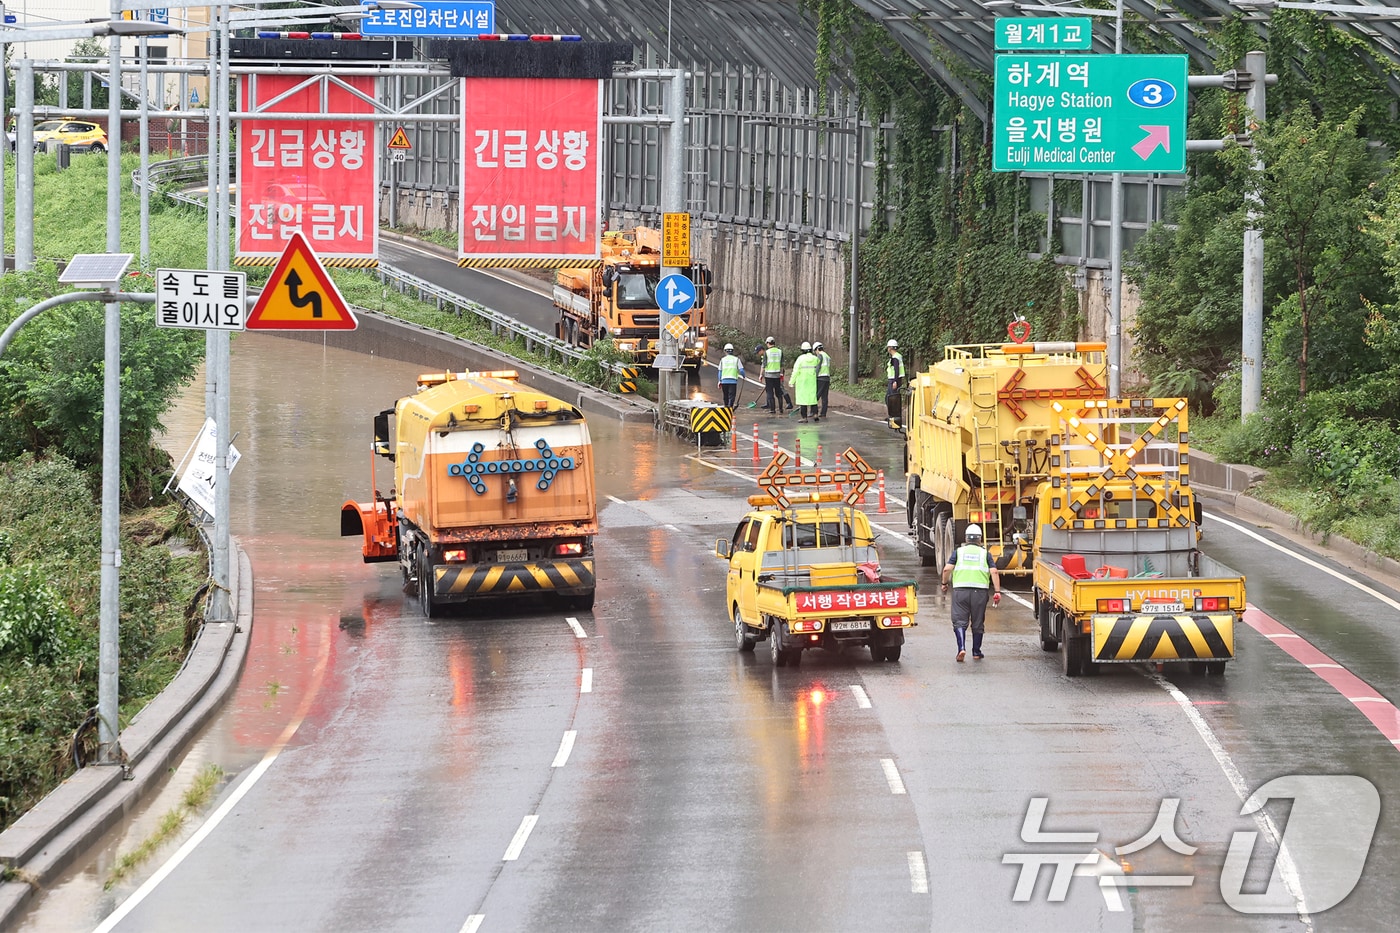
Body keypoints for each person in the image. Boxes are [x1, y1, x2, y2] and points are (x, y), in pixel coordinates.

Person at [940, 523, 1001, 662]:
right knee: (978, 622)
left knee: (959, 621)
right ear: (980, 539)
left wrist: (944, 584)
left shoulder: (959, 552)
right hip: (980, 592)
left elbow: (946, 569)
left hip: (960, 591)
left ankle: (961, 647)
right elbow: (994, 571)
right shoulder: (985, 553)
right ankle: (976, 651)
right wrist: (997, 591)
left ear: (966, 538)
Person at [791, 341, 820, 423]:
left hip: (802, 382)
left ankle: (804, 417)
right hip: (812, 381)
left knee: (803, 400)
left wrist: (792, 381)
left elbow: (795, 371)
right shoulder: (815, 359)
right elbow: (818, 365)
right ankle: (815, 414)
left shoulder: (800, 359)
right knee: (812, 398)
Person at [762, 337, 787, 415]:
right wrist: (782, 374)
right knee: (779, 392)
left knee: (770, 393)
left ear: (768, 343)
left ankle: (772, 409)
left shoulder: (767, 352)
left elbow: (764, 364)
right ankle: (780, 409)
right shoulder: (780, 351)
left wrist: (760, 374)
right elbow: (782, 364)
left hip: (768, 375)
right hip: (777, 375)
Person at [885, 338, 906, 430]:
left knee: (893, 401)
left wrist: (895, 382)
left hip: (894, 381)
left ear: (890, 348)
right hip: (894, 380)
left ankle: (895, 421)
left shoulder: (895, 358)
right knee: (888, 399)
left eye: (888, 347)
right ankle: (892, 418)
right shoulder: (896, 356)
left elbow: (896, 370)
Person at [718, 343, 745, 409]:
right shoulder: (736, 360)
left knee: (725, 396)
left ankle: (726, 407)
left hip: (724, 381)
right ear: (732, 351)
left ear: (725, 351)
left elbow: (720, 371)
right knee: (732, 396)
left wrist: (719, 381)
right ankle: (730, 408)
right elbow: (741, 370)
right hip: (733, 381)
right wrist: (744, 376)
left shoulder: (722, 360)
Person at [814, 341, 831, 421]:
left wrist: (814, 376)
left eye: (815, 351)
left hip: (820, 378)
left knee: (816, 396)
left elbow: (818, 367)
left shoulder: (820, 356)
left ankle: (814, 412)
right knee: (824, 397)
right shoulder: (827, 356)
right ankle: (823, 413)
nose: (815, 353)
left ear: (817, 349)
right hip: (827, 378)